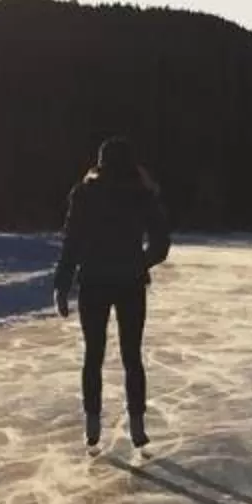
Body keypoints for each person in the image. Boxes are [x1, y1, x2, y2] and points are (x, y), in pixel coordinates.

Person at [53, 135, 173, 453]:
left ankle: (92, 422)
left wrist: (61, 285)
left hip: (93, 281)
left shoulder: (85, 193)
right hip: (130, 283)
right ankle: (137, 425)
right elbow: (161, 242)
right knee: (132, 355)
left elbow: (72, 242)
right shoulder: (140, 193)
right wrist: (139, 261)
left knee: (94, 354)